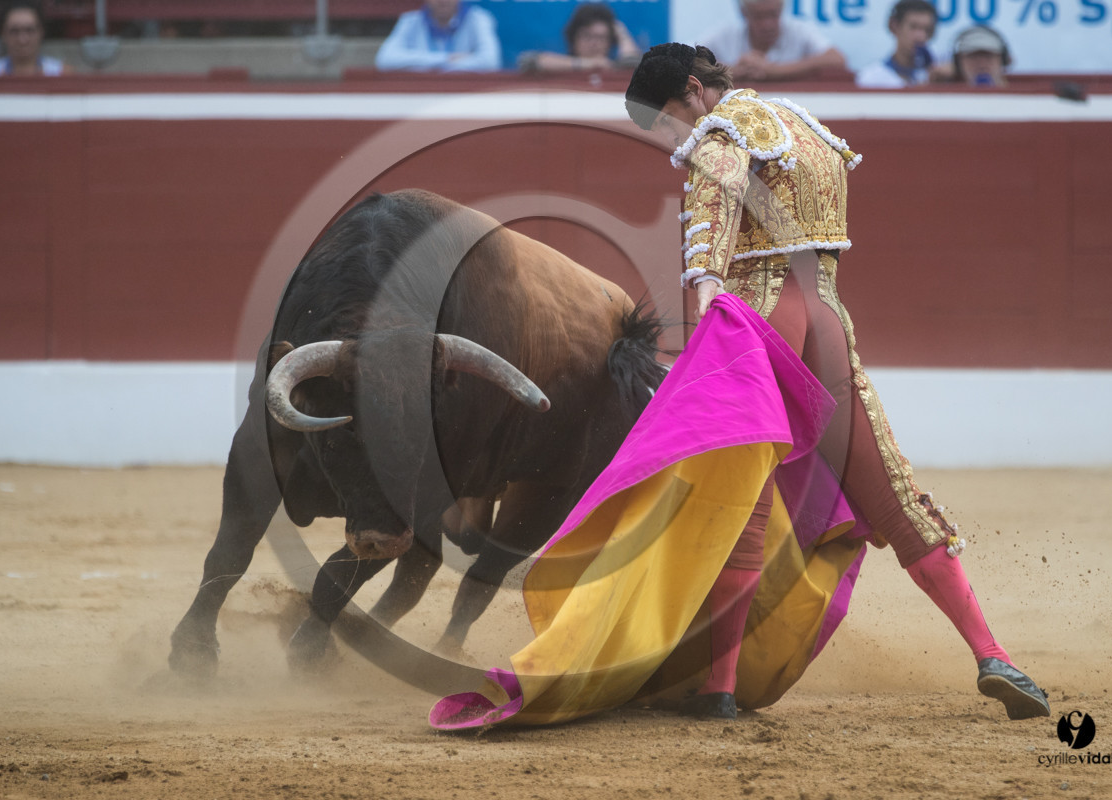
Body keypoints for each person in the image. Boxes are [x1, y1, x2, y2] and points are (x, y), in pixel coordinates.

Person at [429, 43, 1050, 731]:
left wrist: (705, 312)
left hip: (758, 326)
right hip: (827, 321)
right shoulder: (807, 128)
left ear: (695, 91)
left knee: (734, 507)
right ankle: (993, 654)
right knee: (897, 496)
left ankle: (718, 691)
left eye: (668, 122)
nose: (674, 138)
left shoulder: (721, 135)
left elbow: (713, 230)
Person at [698, 0, 847, 82]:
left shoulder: (798, 31)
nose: (767, 24)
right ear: (744, 14)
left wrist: (774, 71)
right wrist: (732, 71)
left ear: (781, 10)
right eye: (759, 17)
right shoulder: (725, 35)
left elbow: (837, 59)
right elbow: (689, 59)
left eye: (773, 15)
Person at [375, 0, 502, 73]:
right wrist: (445, 58)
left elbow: (490, 62)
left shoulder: (478, 19)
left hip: (466, 97)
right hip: (420, 95)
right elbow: (385, 60)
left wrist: (421, 65)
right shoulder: (410, 21)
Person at [517, 2, 642, 74]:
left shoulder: (616, 69)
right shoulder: (558, 67)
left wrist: (622, 33)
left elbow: (634, 63)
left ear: (611, 41)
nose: (594, 43)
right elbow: (528, 61)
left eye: (601, 37)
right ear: (573, 38)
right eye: (587, 36)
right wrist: (587, 64)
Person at [855, 0, 940, 89]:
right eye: (913, 27)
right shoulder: (871, 79)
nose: (920, 36)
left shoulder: (938, 75)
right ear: (894, 26)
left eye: (927, 29)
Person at [0, 1, 68, 77]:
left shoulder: (62, 74)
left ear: (41, 32)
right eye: (14, 31)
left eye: (30, 30)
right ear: (2, 34)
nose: (22, 40)